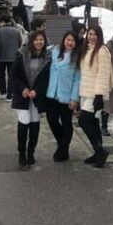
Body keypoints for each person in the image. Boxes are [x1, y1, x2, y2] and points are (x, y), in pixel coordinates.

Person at [72, 24, 112, 168]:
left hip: (95, 93)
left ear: (99, 36)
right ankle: (97, 153)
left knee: (83, 121)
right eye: (90, 34)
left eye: (95, 34)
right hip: (86, 92)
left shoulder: (102, 50)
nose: (92, 37)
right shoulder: (86, 49)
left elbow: (103, 74)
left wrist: (99, 95)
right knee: (94, 123)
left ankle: (100, 151)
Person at [11, 31, 52, 166]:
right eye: (36, 40)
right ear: (31, 41)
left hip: (36, 96)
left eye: (41, 40)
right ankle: (21, 152)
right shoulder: (21, 55)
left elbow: (46, 80)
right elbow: (14, 75)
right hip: (22, 95)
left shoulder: (47, 58)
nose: (39, 42)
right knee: (24, 122)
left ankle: (31, 152)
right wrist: (22, 88)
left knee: (35, 123)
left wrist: (37, 91)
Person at [45, 31, 82, 162]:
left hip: (66, 96)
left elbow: (78, 79)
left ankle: (63, 150)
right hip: (52, 94)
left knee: (66, 123)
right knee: (52, 119)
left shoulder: (77, 57)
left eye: (72, 40)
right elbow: (37, 47)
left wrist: (74, 98)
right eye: (68, 40)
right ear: (63, 40)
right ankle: (63, 144)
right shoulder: (54, 51)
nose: (70, 42)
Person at [0, 16, 22, 100]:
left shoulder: (0, 31)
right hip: (13, 56)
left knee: (1, 75)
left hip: (1, 56)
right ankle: (10, 94)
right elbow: (20, 42)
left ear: (3, 21)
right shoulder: (16, 31)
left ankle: (3, 93)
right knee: (11, 76)